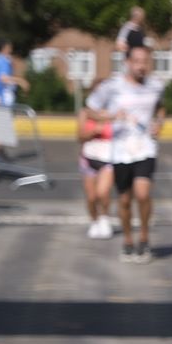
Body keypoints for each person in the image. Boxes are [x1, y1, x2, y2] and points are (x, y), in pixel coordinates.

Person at [84, 45, 166, 262]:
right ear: (127, 63)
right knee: (124, 200)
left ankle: (145, 238)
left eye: (145, 61)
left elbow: (160, 107)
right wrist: (110, 116)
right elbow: (89, 109)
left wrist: (159, 123)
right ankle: (128, 240)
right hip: (120, 150)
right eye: (137, 61)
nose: (141, 66)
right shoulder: (112, 86)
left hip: (145, 147)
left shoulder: (156, 85)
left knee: (143, 193)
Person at [78, 82, 116, 239]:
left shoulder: (113, 113)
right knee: (92, 197)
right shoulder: (85, 113)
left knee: (103, 192)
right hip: (88, 157)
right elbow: (79, 137)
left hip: (108, 158)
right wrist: (92, 131)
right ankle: (94, 221)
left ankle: (104, 218)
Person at [0, 41, 28, 108]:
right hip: (5, 99)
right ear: (5, 48)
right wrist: (21, 81)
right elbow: (4, 78)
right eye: (10, 48)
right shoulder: (3, 61)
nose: (11, 51)